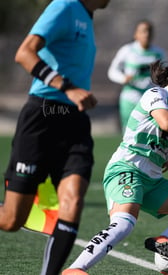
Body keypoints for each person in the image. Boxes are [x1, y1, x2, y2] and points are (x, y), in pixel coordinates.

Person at [62, 60, 168, 275]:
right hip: (126, 170)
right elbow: (166, 123)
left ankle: (167, 239)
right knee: (124, 224)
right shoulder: (155, 95)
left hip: (152, 182)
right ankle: (75, 269)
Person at [0, 0, 110, 274]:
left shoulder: (86, 16)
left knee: (72, 202)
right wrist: (67, 87)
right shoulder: (63, 7)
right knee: (12, 220)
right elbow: (24, 53)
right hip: (42, 119)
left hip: (75, 123)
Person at [107, 19, 165, 132]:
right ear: (136, 34)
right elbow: (112, 71)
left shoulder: (159, 53)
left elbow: (164, 74)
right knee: (130, 132)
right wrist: (123, 78)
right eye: (143, 31)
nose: (146, 34)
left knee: (149, 132)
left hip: (150, 98)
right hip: (130, 97)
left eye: (149, 31)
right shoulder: (127, 50)